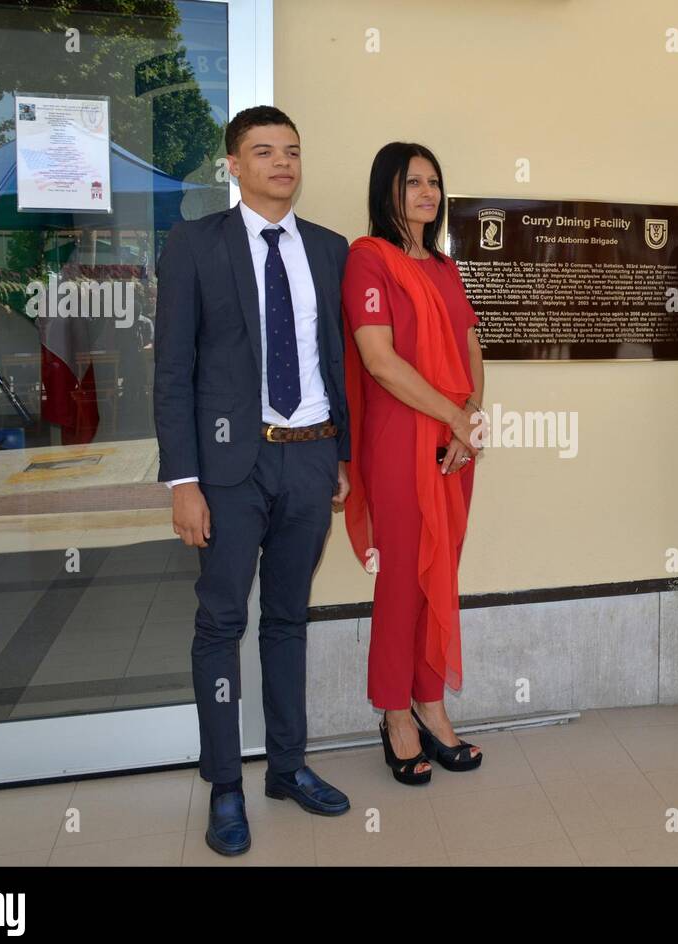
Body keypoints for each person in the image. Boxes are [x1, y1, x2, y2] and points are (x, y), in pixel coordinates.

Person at [154, 105, 352, 856]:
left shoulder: (330, 250)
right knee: (221, 624)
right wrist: (184, 481)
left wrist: (341, 458)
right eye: (264, 152)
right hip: (230, 468)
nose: (282, 164)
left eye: (292, 151)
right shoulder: (195, 245)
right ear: (232, 165)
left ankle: (288, 767)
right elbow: (172, 371)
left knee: (289, 619)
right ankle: (226, 784)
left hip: (308, 458)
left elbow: (337, 364)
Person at [341, 142, 486, 785]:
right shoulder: (367, 261)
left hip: (455, 447)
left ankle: (432, 703)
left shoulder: (448, 268)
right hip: (401, 439)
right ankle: (395, 712)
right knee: (402, 577)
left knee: (441, 572)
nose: (426, 193)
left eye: (434, 181)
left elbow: (469, 345)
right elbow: (379, 361)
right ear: (386, 191)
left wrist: (470, 416)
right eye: (412, 183)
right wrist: (455, 417)